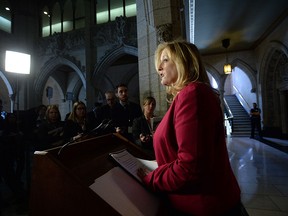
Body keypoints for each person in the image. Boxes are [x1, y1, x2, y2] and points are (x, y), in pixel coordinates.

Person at [137, 41, 241, 215]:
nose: (158, 69)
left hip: (204, 205)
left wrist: (152, 178)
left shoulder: (192, 94)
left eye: (165, 60)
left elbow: (190, 167)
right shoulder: (190, 95)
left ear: (183, 62)